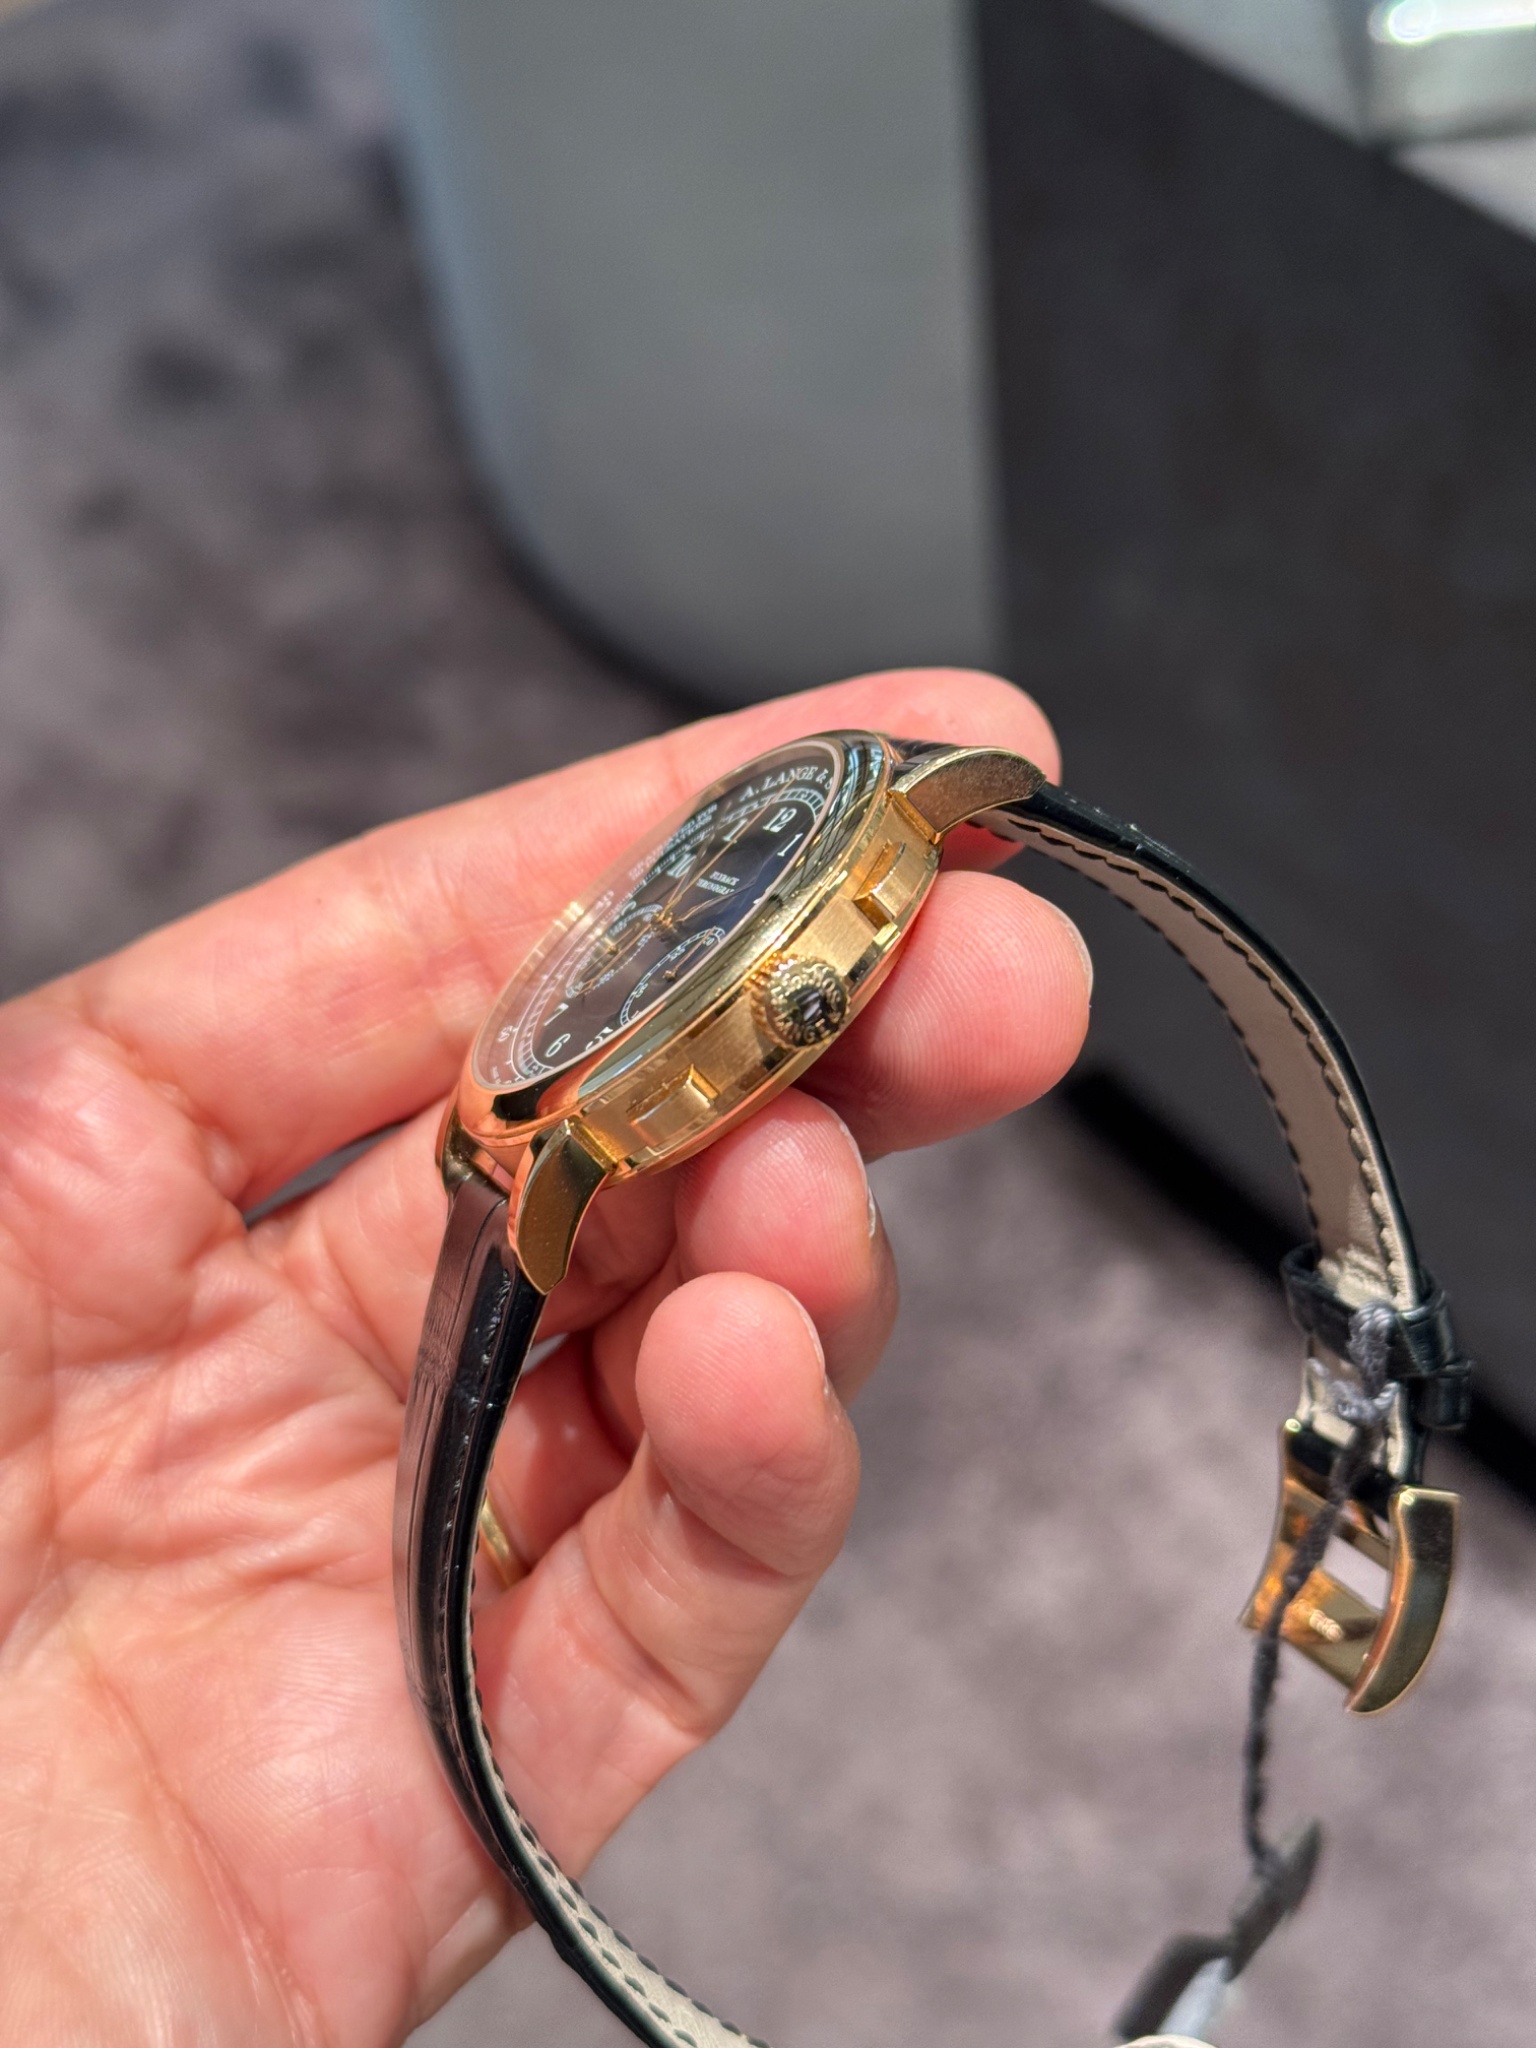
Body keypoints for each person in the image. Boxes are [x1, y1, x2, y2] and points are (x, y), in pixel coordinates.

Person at [0, 668, 1090, 2044]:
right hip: (537, 1114)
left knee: (765, 1300)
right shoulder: (510, 1144)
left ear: (796, 1001)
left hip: (592, 1068)